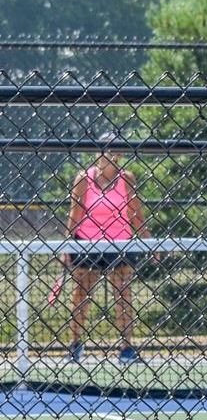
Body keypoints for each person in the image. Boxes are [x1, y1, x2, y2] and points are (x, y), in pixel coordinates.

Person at [62, 139, 146, 363]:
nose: (107, 152)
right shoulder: (84, 178)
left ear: (118, 153)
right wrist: (67, 245)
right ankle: (76, 345)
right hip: (87, 243)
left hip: (119, 244)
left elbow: (136, 212)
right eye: (103, 147)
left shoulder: (126, 179)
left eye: (112, 147)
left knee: (123, 295)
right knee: (81, 295)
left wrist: (149, 241)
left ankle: (126, 349)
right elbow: (75, 213)